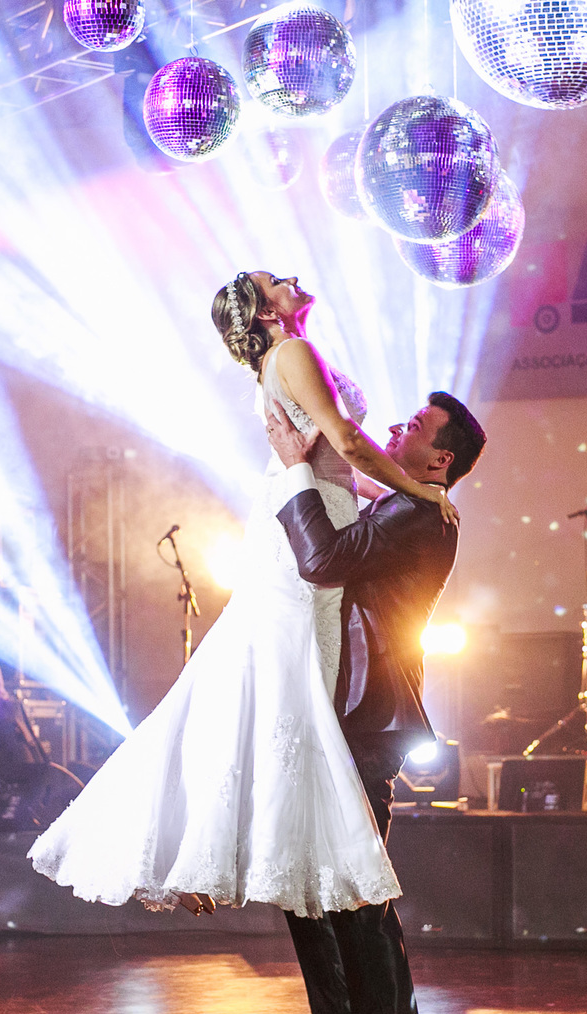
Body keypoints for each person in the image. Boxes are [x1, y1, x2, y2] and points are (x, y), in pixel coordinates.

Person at [28, 272, 455, 921]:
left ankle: (233, 841)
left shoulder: (290, 357)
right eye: (273, 282)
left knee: (269, 685)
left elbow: (335, 460)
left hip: (316, 501)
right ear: (264, 312)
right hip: (302, 516)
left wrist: (386, 494)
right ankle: (224, 842)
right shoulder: (291, 354)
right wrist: (416, 492)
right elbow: (341, 440)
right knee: (278, 684)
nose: (291, 278)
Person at [265, 388, 486, 1014]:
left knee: (356, 884)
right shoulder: (402, 501)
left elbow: (323, 561)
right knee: (306, 876)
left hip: (371, 713)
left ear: (441, 458)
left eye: (416, 426)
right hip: (340, 710)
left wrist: (296, 472)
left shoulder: (421, 512)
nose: (397, 425)